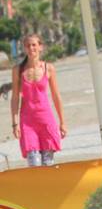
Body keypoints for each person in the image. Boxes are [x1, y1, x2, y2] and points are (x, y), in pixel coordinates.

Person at [11, 34, 66, 167]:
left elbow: (56, 96)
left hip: (46, 120)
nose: (31, 48)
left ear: (40, 47)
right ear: (24, 48)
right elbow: (15, 98)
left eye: (34, 45)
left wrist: (62, 122)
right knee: (34, 164)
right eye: (28, 45)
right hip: (28, 122)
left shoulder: (49, 68)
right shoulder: (18, 70)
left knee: (48, 164)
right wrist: (15, 123)